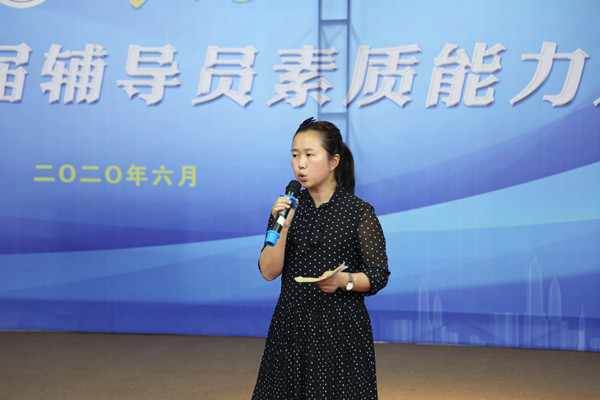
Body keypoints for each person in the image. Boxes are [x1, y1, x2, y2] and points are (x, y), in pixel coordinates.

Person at [252, 118, 390, 400]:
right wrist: (284, 225)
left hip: (341, 328)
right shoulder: (286, 209)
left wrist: (344, 280)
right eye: (295, 155)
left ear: (333, 161)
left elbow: (378, 274)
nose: (300, 164)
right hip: (291, 324)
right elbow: (268, 271)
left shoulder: (358, 212)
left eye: (309, 155)